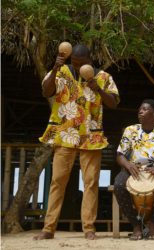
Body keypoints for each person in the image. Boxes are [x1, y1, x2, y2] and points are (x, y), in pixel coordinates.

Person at [34, 44, 120, 240]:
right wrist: (55, 68)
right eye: (74, 62)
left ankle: (89, 228)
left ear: (90, 60)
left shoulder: (104, 77)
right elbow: (46, 92)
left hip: (92, 136)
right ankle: (48, 228)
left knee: (90, 183)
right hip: (65, 134)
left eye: (81, 63)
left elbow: (113, 103)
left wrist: (97, 88)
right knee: (57, 182)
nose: (77, 66)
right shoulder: (62, 72)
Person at [113, 99, 154, 240]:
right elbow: (120, 156)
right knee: (118, 184)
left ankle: (153, 224)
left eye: (144, 109)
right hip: (132, 169)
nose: (140, 111)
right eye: (140, 109)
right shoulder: (130, 130)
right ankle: (136, 226)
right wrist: (128, 165)